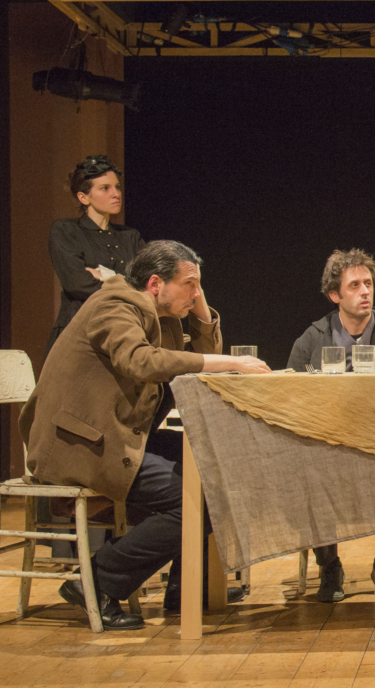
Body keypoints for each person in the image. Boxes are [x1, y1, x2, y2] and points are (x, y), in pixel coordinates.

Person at [18, 240, 270, 630]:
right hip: (83, 444)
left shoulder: (159, 314)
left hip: (118, 436)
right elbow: (141, 361)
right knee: (196, 500)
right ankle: (97, 581)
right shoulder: (114, 305)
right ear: (155, 284)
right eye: (189, 284)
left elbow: (195, 357)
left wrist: (199, 305)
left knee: (218, 469)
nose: (195, 293)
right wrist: (230, 362)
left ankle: (186, 588)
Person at [287, 248, 375, 602]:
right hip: (329, 444)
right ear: (334, 295)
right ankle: (329, 566)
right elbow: (291, 393)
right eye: (355, 285)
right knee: (307, 468)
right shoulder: (314, 338)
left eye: (368, 283)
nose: (365, 291)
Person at [46, 155, 145, 351]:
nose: (116, 194)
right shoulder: (66, 230)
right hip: (78, 330)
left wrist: (107, 278)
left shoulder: (130, 236)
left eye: (117, 187)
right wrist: (127, 287)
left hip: (124, 330)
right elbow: (77, 283)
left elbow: (147, 284)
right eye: (105, 188)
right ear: (83, 197)